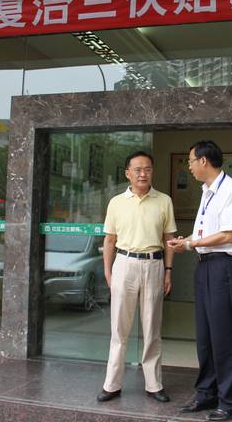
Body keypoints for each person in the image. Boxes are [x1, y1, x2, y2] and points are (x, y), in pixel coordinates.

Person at [168, 140, 232, 422]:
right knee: (205, 336)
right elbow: (205, 233)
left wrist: (191, 244)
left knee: (224, 335)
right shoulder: (207, 191)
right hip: (205, 266)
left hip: (223, 266)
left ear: (204, 161)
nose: (189, 166)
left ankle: (230, 401)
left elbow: (227, 234)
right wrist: (186, 241)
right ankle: (206, 392)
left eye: (191, 161)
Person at [96, 151, 177, 403]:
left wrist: (168, 270)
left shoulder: (164, 201)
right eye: (138, 169)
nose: (143, 174)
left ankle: (154, 384)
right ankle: (112, 384)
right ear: (128, 173)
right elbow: (109, 240)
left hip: (154, 264)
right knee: (119, 329)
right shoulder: (116, 202)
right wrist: (108, 271)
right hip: (124, 264)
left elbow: (169, 239)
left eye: (148, 169)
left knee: (152, 328)